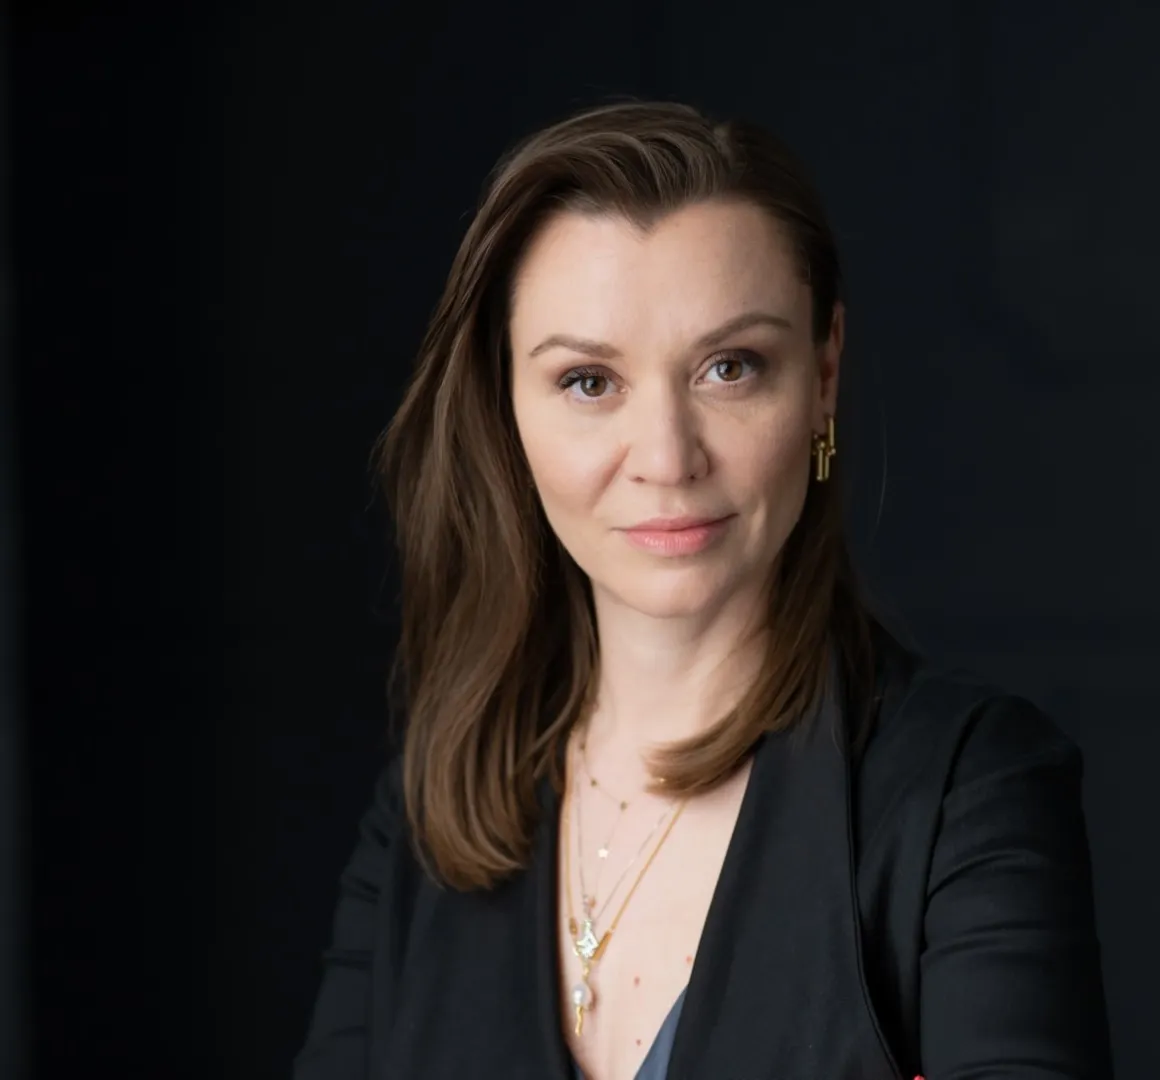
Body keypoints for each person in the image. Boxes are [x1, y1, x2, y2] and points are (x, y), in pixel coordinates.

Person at [292, 99, 1113, 1080]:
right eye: (588, 381)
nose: (667, 457)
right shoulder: (422, 820)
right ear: (503, 404)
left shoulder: (964, 790)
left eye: (729, 368)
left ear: (823, 373)